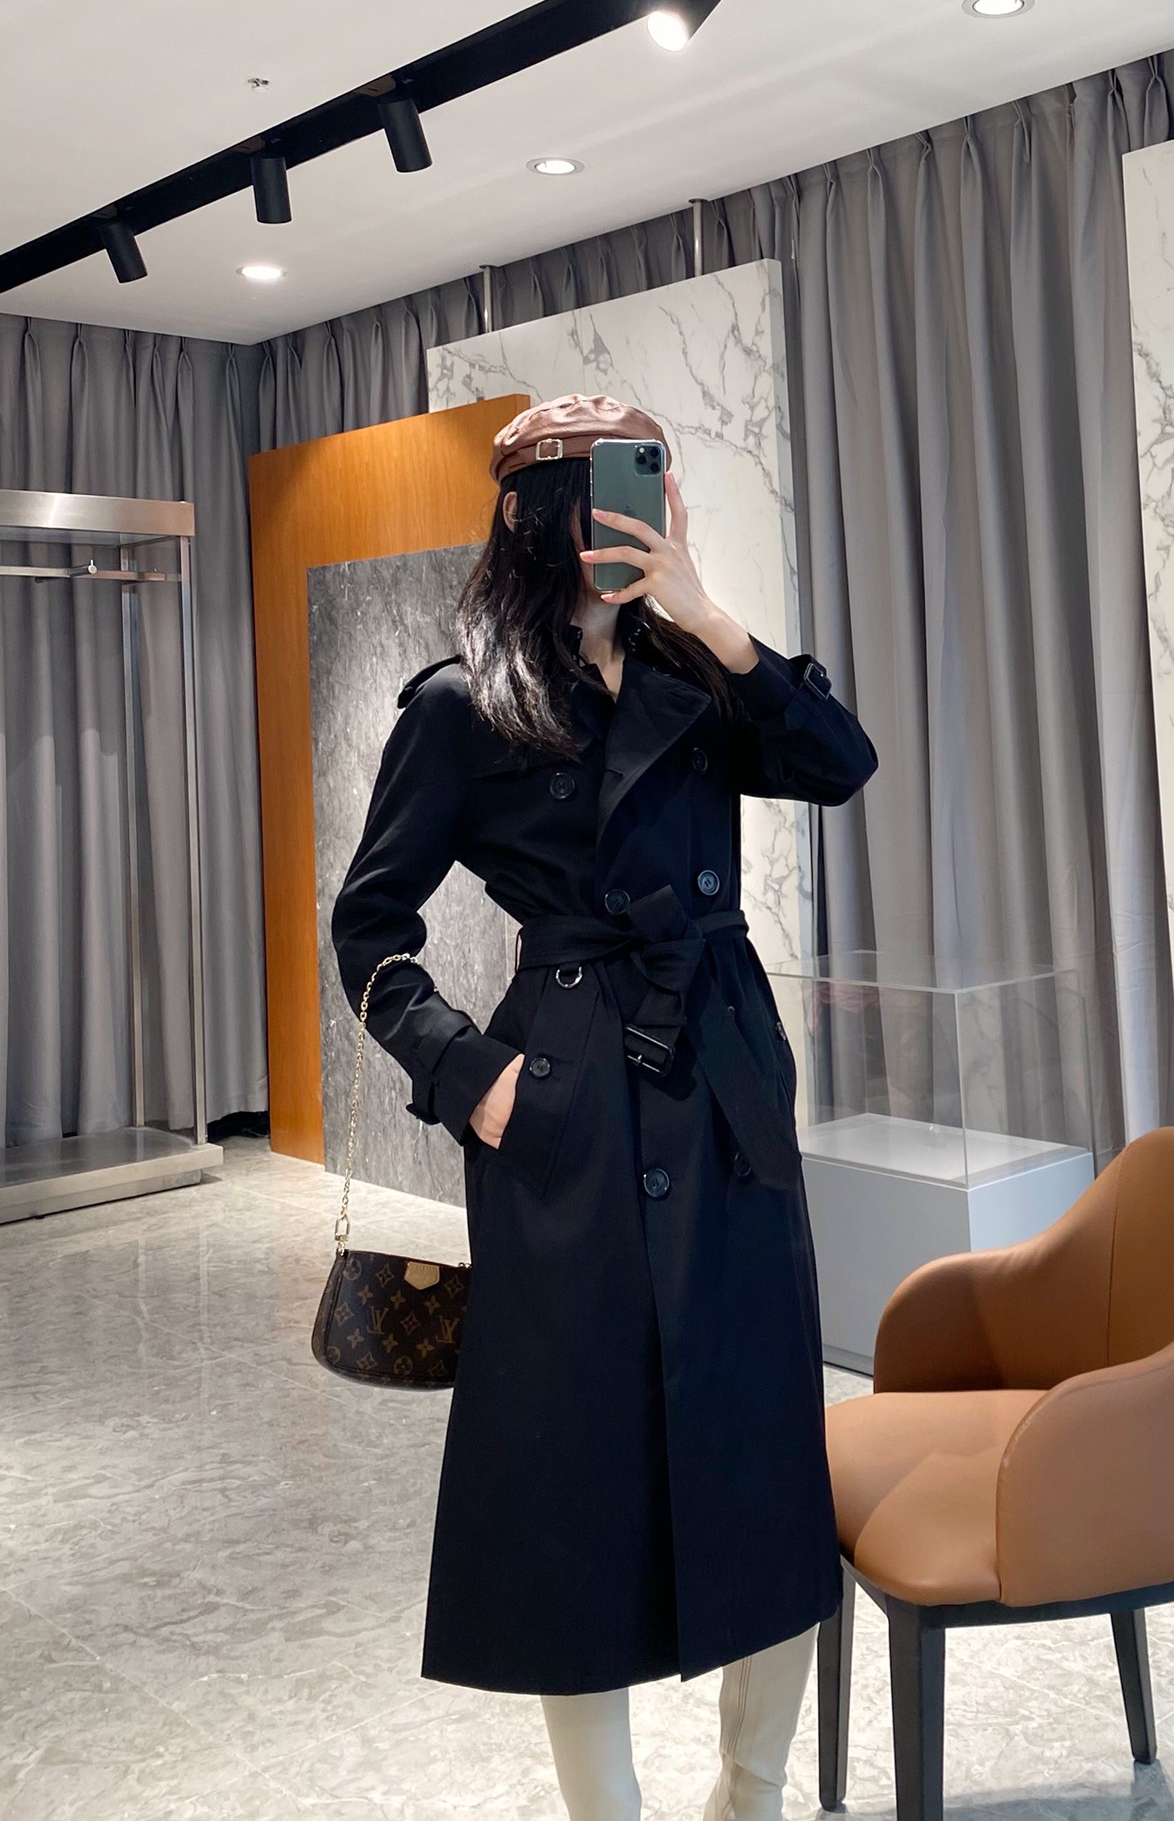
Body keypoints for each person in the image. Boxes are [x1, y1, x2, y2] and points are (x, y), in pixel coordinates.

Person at [330, 393, 879, 1821]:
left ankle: (752, 1795)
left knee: (761, 1444)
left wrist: (707, 612)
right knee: (572, 1469)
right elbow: (369, 928)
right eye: (602, 487)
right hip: (565, 1102)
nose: (632, 510)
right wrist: (474, 1080)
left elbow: (840, 764)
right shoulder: (465, 705)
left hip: (724, 1083)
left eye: (651, 482)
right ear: (531, 516)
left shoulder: (703, 671)